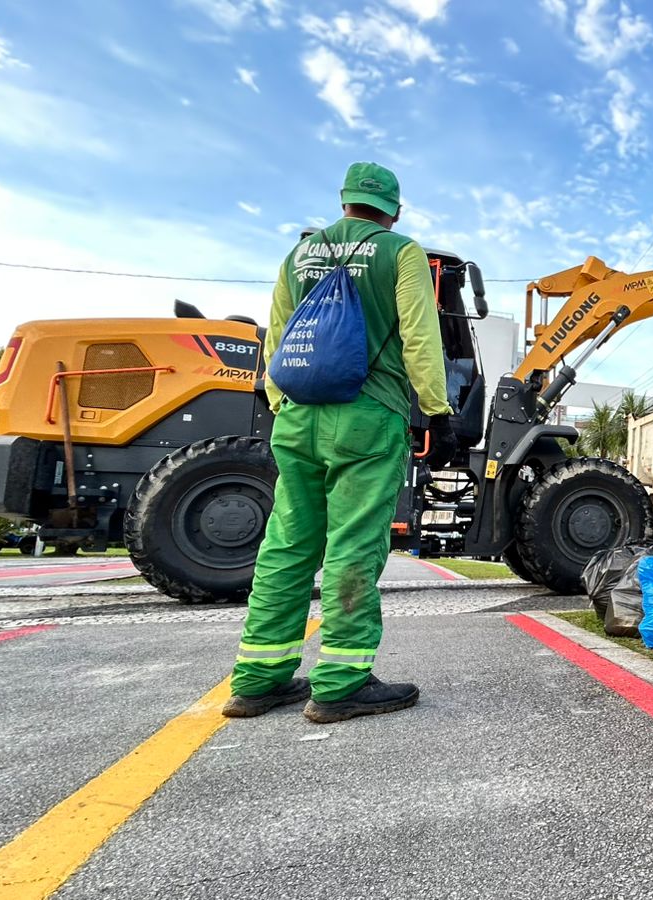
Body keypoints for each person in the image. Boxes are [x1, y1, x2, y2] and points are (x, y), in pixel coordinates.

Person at [223, 162, 456, 724]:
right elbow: (420, 337)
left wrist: (281, 404)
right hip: (367, 417)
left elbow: (277, 337)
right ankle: (341, 682)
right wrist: (436, 409)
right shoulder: (401, 252)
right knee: (353, 544)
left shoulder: (297, 256)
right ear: (394, 210)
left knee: (287, 545)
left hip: (297, 418)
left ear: (344, 200)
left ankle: (257, 680)